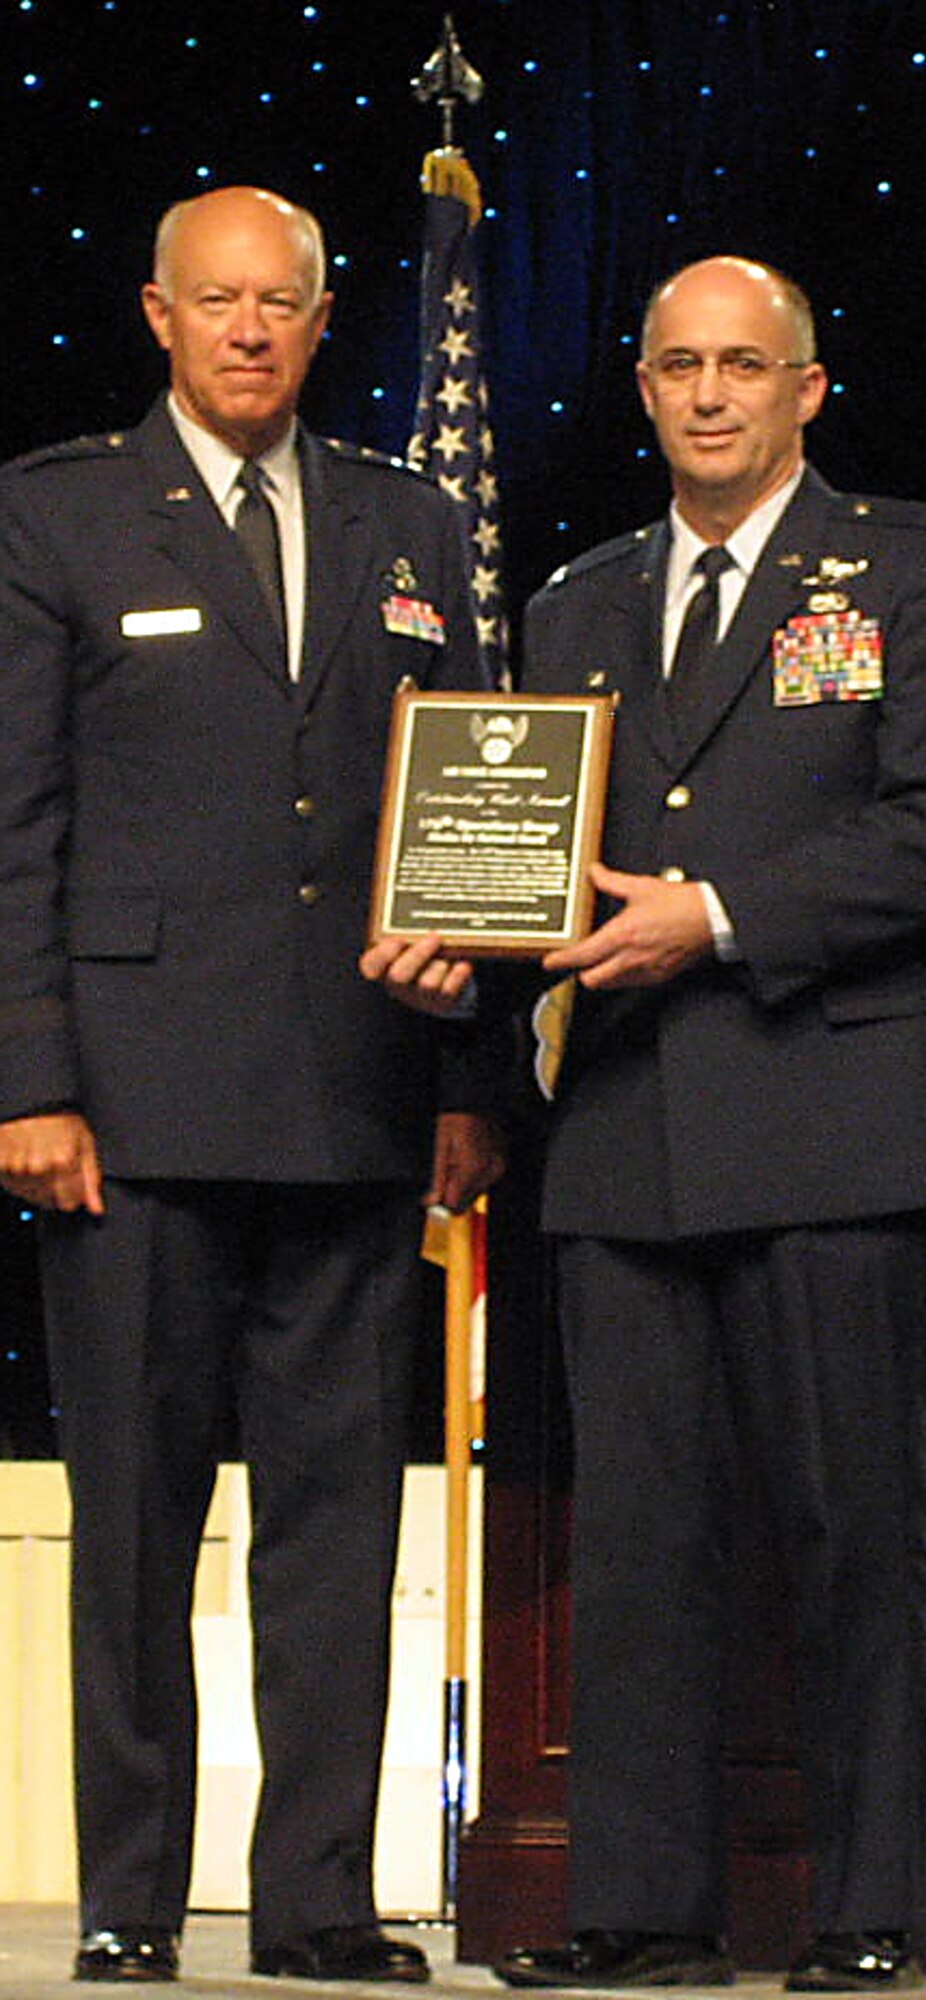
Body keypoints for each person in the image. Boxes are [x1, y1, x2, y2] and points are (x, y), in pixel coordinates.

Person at [365, 255, 926, 1991]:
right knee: (637, 1556)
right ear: (643, 390)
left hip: (840, 1124)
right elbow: (527, 871)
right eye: (678, 366)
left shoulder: (919, 571)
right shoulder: (573, 608)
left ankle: (871, 1910)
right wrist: (456, 966)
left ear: (810, 388)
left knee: (855, 1531)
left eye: (746, 365)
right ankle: (638, 1910)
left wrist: (716, 913)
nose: (711, 393)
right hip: (630, 1144)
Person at [0, 186, 510, 1986]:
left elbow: (466, 819)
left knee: (332, 1538)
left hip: (360, 1105)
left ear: (316, 318)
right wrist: (29, 1078)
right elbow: (15, 824)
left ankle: (314, 1903)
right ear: (156, 313)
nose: (244, 332)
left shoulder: (410, 519)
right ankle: (133, 1901)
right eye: (213, 303)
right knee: (132, 1535)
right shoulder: (53, 512)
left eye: (276, 304)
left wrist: (468, 1083)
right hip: (124, 1119)